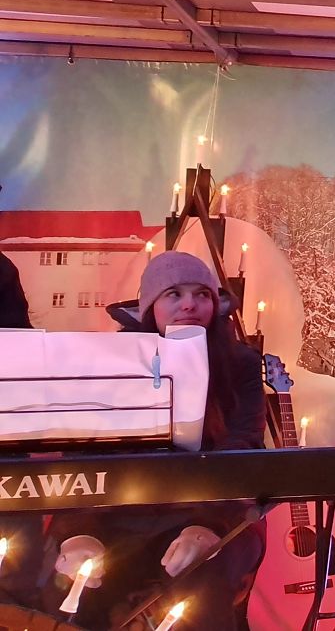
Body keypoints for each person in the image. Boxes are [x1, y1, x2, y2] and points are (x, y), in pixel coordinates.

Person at [44, 251, 267, 630]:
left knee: (199, 585)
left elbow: (243, 448)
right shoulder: (111, 363)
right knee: (69, 590)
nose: (189, 304)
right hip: (120, 512)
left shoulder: (241, 364)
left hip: (212, 509)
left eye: (201, 294)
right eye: (174, 294)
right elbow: (83, 452)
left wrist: (207, 526)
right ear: (150, 307)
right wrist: (79, 531)